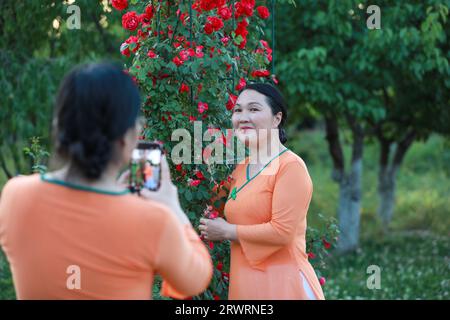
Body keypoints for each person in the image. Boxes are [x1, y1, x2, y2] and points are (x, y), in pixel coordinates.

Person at [0, 62, 212, 299]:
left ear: (59, 126)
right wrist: (172, 206)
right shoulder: (154, 220)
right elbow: (195, 279)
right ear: (127, 137)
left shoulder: (15, 196)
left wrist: (116, 199)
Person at [199, 83, 325, 300]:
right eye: (238, 110)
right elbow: (211, 206)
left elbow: (282, 232)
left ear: (277, 119)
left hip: (284, 287)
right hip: (247, 287)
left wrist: (228, 231)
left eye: (254, 109)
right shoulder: (242, 168)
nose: (243, 117)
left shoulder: (290, 167)